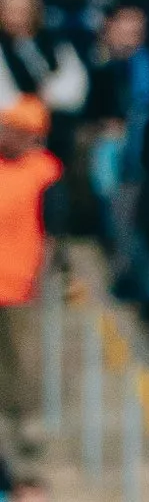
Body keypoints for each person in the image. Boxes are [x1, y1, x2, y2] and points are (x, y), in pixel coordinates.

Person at [0, 96, 62, 461]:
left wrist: (43, 271)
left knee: (20, 357)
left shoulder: (43, 172)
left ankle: (24, 421)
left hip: (18, 282)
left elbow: (53, 229)